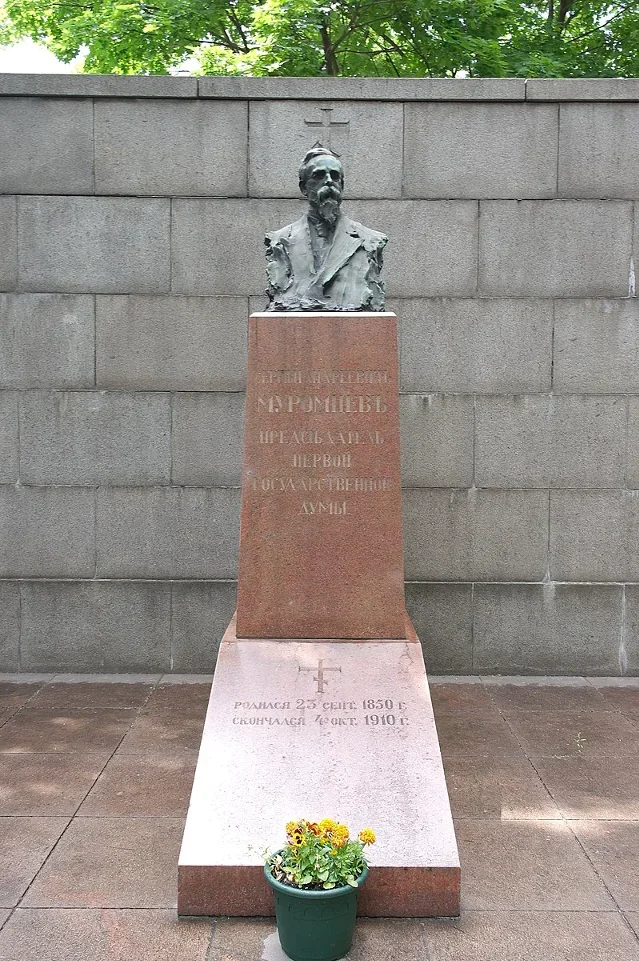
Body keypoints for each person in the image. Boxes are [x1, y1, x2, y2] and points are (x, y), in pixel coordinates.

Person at [265, 146, 388, 311]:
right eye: (319, 175)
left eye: (335, 176)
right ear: (303, 187)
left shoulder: (370, 240)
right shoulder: (279, 240)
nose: (329, 181)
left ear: (342, 186)